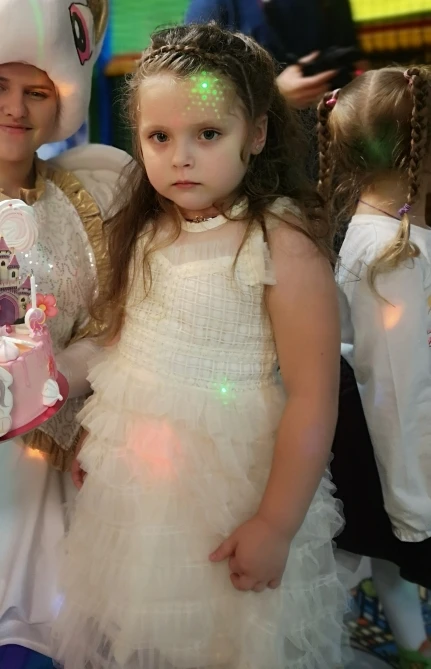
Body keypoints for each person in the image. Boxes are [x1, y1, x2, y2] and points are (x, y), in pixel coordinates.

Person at [52, 22, 348, 669]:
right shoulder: (144, 228)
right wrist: (96, 434)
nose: (180, 157)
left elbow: (312, 396)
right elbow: (125, 344)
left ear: (256, 134)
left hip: (228, 488)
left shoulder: (279, 243)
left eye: (207, 134)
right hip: (134, 479)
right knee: (141, 623)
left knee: (221, 632)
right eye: (159, 137)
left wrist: (275, 523)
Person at [0, 0, 129, 658]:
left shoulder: (85, 198)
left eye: (36, 91)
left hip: (53, 470)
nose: (16, 108)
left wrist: (59, 377)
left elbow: (110, 322)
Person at [318, 67, 431, 667]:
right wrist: (414, 507)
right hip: (388, 443)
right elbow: (395, 385)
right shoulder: (395, 254)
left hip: (385, 434)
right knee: (378, 544)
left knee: (376, 551)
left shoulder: (383, 232)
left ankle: (413, 646)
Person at [185, 0, 364, 109]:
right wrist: (274, 97)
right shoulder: (211, 6)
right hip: (264, 143)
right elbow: (194, 90)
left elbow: (356, 60)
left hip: (333, 130)